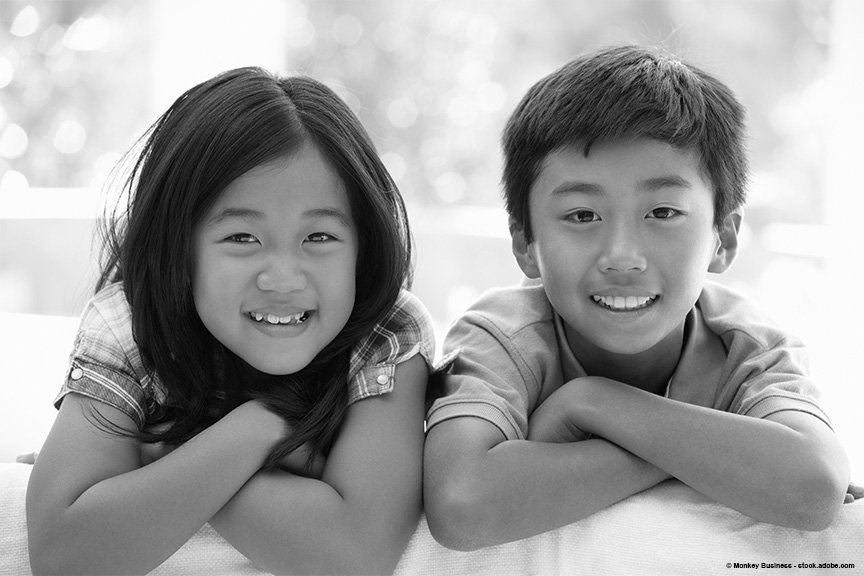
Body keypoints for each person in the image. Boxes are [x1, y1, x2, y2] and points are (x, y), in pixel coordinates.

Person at [423, 45, 859, 551]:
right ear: (525, 244)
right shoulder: (501, 336)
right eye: (582, 215)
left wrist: (592, 403)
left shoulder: (748, 347)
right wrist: (706, 460)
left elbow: (815, 489)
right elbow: (462, 505)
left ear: (723, 238)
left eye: (663, 213)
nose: (622, 257)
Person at [26, 67, 434, 575]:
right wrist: (260, 431)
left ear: (362, 249)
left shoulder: (385, 330)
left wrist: (170, 455)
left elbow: (355, 554)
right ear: (179, 249)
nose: (283, 279)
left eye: (319, 237)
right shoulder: (129, 324)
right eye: (242, 238)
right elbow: (62, 554)